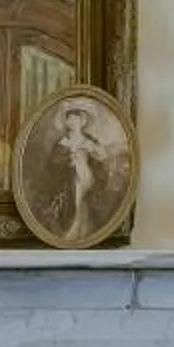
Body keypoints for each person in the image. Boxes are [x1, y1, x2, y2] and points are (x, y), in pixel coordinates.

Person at [49, 99, 116, 241]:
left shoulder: (89, 140)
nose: (73, 122)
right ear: (66, 122)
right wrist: (68, 160)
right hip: (69, 179)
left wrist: (92, 150)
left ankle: (81, 232)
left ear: (83, 121)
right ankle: (72, 233)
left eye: (76, 118)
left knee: (83, 203)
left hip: (86, 176)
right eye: (70, 118)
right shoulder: (62, 142)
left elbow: (102, 157)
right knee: (74, 202)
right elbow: (53, 163)